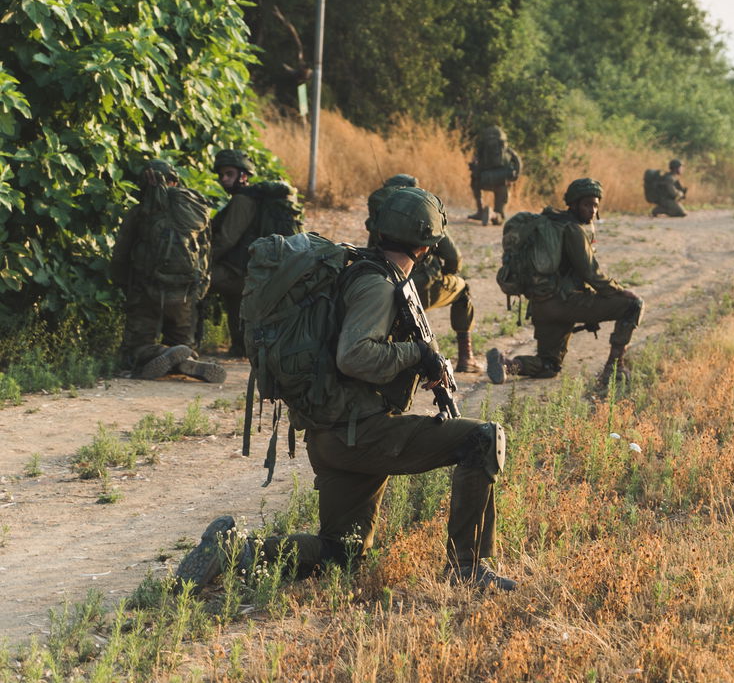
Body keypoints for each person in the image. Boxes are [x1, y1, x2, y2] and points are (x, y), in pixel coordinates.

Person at [175, 187, 515, 591]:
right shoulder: (377, 284)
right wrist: (414, 354)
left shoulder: (359, 268)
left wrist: (417, 358)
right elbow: (353, 356)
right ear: (427, 246)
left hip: (335, 433)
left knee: (342, 554)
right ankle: (468, 569)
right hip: (360, 432)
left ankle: (233, 551)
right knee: (483, 437)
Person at [486, 178, 644, 390]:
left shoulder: (551, 222)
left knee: (549, 365)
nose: (592, 210)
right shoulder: (574, 230)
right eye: (587, 204)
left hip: (542, 306)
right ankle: (614, 367)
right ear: (574, 204)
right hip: (566, 304)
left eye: (595, 205)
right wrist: (621, 291)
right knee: (633, 305)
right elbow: (591, 274)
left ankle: (506, 364)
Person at [110, 160, 226, 383]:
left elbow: (120, 256)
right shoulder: (196, 212)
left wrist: (125, 285)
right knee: (182, 342)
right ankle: (185, 358)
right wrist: (200, 288)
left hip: (146, 289)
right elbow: (206, 252)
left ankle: (159, 353)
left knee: (135, 348)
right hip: (184, 292)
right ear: (175, 182)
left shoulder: (140, 213)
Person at [366, 174, 482, 372]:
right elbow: (453, 256)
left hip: (386, 286)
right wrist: (447, 275)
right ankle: (466, 357)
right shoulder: (423, 213)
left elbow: (371, 253)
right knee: (463, 290)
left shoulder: (381, 217)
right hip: (423, 286)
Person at [207, 148, 258, 356]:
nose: (224, 179)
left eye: (229, 174)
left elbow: (226, 239)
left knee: (194, 281)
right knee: (235, 303)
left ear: (243, 176)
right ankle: (240, 346)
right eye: (221, 175)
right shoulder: (244, 198)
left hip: (240, 271)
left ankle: (183, 342)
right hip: (243, 269)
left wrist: (202, 262)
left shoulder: (242, 201)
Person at [469, 125, 521, 226]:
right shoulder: (507, 151)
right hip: (501, 183)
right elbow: (518, 161)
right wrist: (515, 176)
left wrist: (476, 175)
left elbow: (475, 165)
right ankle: (493, 215)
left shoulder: (481, 151)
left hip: (483, 181)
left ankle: (480, 210)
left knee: (474, 182)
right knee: (500, 215)